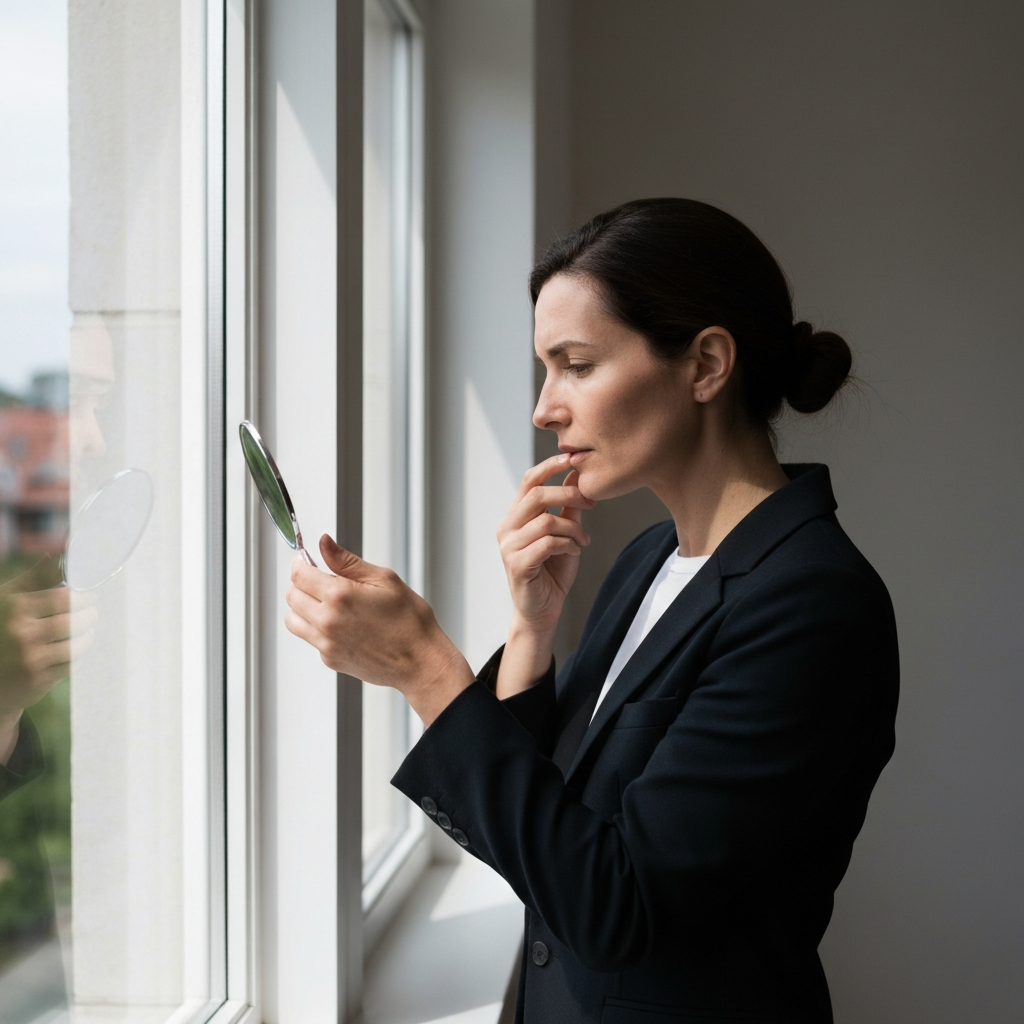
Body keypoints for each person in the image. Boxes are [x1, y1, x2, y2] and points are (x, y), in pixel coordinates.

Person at [285, 198, 899, 1024]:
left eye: (576, 364)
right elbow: (542, 836)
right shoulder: (649, 559)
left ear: (706, 364)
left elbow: (618, 910)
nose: (545, 408)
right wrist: (531, 631)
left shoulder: (812, 603)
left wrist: (426, 670)